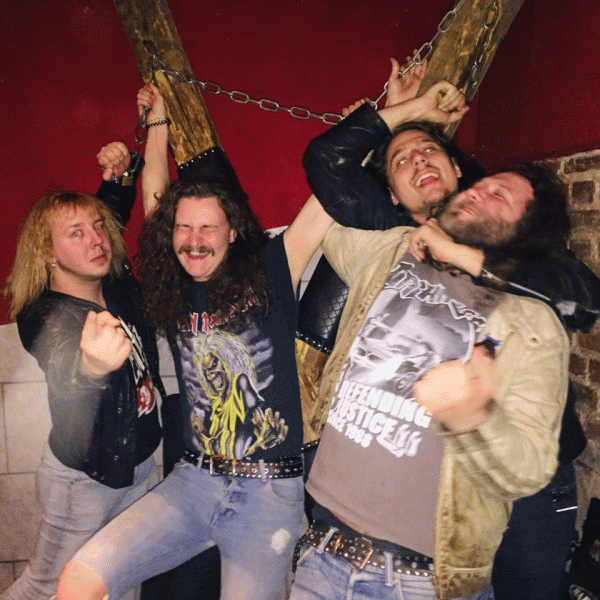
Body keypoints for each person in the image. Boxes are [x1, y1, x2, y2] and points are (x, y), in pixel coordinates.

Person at [54, 78, 468, 600]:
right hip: (193, 482)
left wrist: (390, 111)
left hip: (269, 496)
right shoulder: (175, 285)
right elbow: (155, 191)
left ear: (233, 232)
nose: (195, 239)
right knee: (77, 581)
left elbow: (329, 189)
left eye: (209, 228)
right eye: (185, 228)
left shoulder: (273, 267)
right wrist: (157, 119)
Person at [298, 60, 600, 600]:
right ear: (392, 195)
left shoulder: (530, 295)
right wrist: (402, 111)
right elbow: (326, 168)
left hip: (459, 544)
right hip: (324, 552)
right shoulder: (388, 244)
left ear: (461, 172)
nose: (417, 162)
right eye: (400, 161)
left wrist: (470, 415)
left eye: (429, 150)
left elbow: (582, 299)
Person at [2, 175, 163, 600]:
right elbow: (67, 368)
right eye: (76, 233)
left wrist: (122, 177)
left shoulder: (115, 285)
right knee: (45, 587)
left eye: (98, 227)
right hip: (85, 479)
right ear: (47, 252)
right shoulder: (45, 315)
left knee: (117, 580)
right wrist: (91, 366)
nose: (97, 240)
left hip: (136, 465)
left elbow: (108, 218)